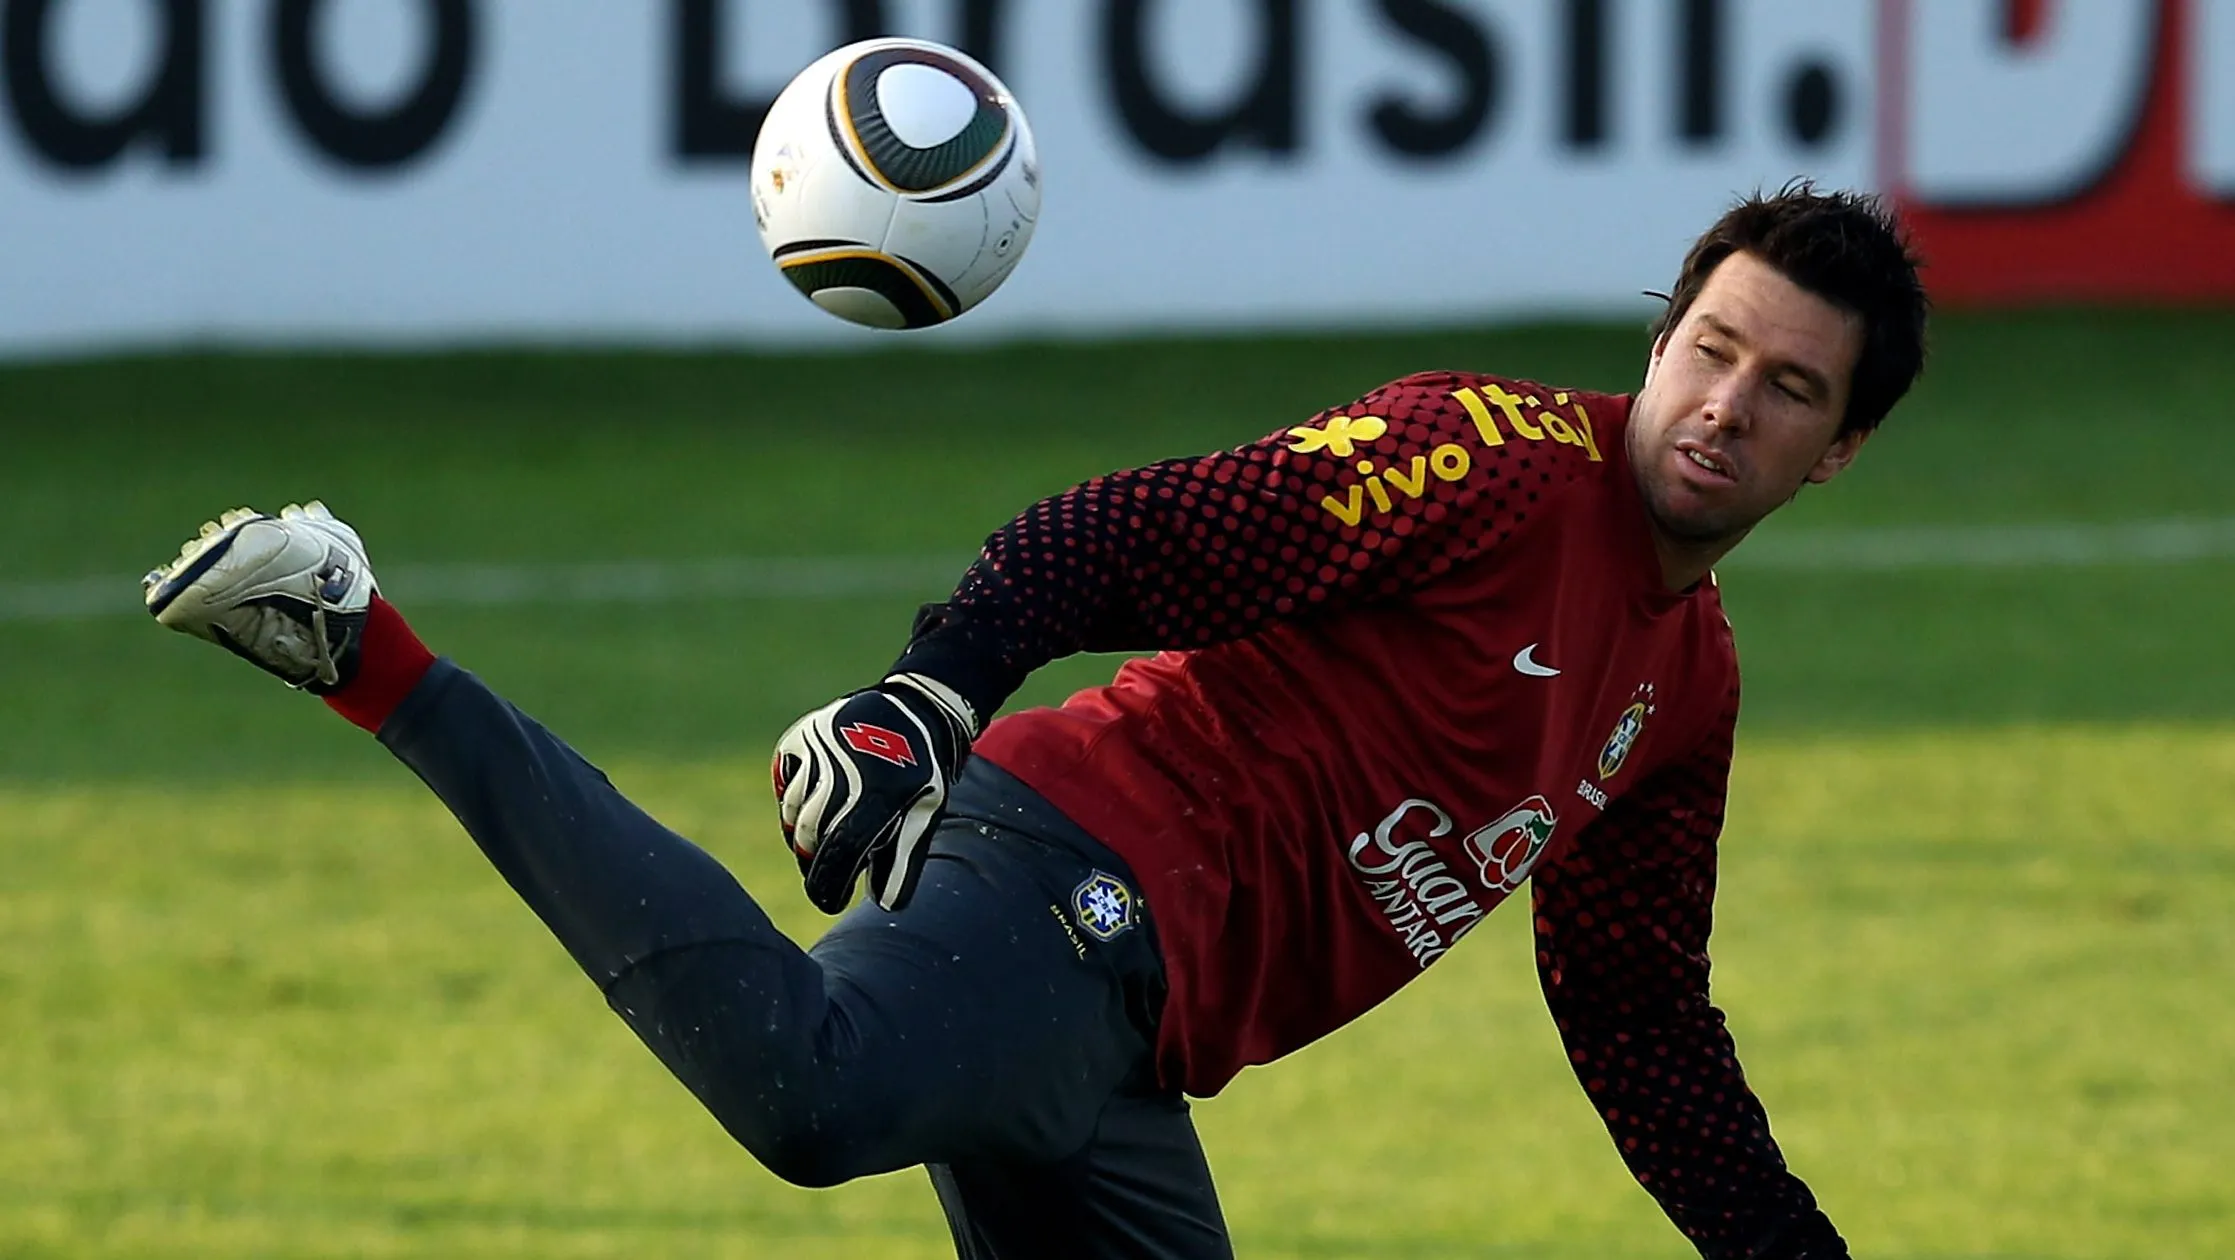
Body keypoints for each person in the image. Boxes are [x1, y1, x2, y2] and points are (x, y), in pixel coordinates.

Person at [142, 183, 1927, 1259]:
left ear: (1836, 451)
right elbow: (1143, 529)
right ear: (1662, 331)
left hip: (1133, 1057)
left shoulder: (1685, 691)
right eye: (1707, 346)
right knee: (809, 1093)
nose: (1721, 406)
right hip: (1069, 885)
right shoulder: (1492, 464)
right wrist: (936, 690)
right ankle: (362, 642)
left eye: (1783, 391)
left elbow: (1635, 1017)